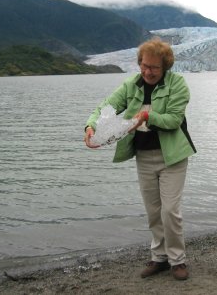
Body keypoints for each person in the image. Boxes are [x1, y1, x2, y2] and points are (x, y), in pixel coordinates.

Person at [84, 37, 196, 281]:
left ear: (165, 66)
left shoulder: (177, 85)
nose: (148, 71)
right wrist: (91, 126)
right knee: (153, 211)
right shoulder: (130, 85)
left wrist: (147, 116)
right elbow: (106, 106)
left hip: (173, 157)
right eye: (144, 65)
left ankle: (178, 260)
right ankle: (160, 258)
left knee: (170, 211)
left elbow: (174, 120)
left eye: (154, 67)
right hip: (144, 156)